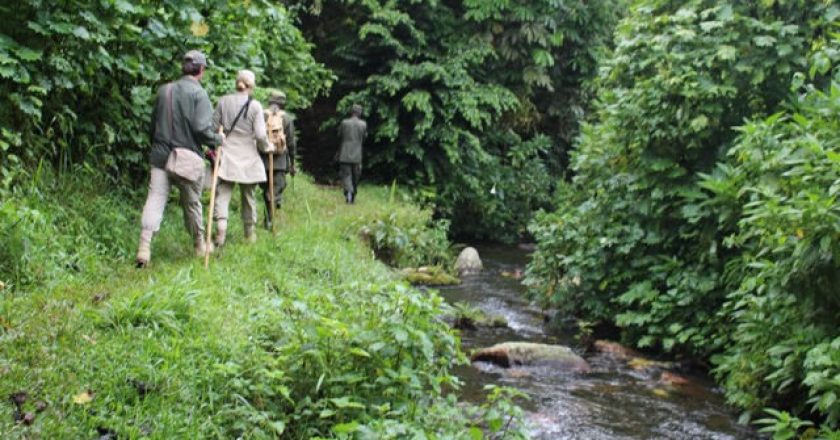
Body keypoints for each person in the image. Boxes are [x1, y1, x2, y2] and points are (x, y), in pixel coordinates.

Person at [135, 50, 223, 268]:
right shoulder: (199, 94)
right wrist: (217, 139)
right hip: (188, 159)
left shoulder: (165, 90)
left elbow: (152, 125)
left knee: (155, 198)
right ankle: (199, 245)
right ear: (201, 70)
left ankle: (144, 248)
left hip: (160, 155)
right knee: (192, 204)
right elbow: (202, 129)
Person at [211, 69, 274, 246]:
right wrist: (267, 147)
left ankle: (220, 230)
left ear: (237, 83)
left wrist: (220, 137)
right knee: (248, 196)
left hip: (228, 155)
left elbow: (214, 126)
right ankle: (249, 233)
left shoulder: (223, 101)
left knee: (222, 194)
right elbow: (261, 135)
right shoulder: (255, 106)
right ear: (251, 86)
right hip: (248, 157)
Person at [260, 89, 297, 229]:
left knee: (266, 190)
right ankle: (270, 218)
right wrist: (292, 163)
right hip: (280, 162)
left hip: (263, 160)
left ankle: (268, 216)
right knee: (276, 189)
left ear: (270, 102)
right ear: (283, 104)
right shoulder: (286, 118)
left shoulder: (262, 115)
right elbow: (292, 142)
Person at [337, 104, 367, 203]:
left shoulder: (344, 123)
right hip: (357, 155)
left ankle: (349, 193)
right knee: (356, 176)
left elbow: (339, 135)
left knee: (346, 175)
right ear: (359, 113)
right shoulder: (363, 124)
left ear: (352, 112)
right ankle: (352, 193)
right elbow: (365, 137)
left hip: (344, 153)